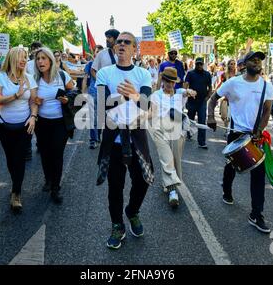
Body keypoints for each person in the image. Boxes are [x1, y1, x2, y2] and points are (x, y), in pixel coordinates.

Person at [96, 32, 153, 249]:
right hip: (114, 137)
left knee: (143, 180)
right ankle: (117, 225)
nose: (121, 44)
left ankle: (132, 211)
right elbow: (101, 108)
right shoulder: (104, 73)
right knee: (115, 187)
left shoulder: (143, 74)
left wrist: (136, 96)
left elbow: (146, 106)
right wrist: (122, 98)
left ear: (134, 49)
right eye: (118, 41)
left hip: (137, 135)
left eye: (126, 42)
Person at [207, 51, 273, 234]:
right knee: (231, 167)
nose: (257, 63)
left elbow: (267, 110)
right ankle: (227, 190)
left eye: (259, 60)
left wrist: (260, 129)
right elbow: (213, 99)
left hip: (255, 136)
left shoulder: (267, 86)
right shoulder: (233, 83)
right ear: (244, 64)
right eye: (253, 60)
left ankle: (256, 214)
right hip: (236, 134)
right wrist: (211, 116)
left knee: (258, 175)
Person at [0, 47, 38, 211]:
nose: (24, 60)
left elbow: (33, 101)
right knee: (11, 159)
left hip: (25, 125)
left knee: (19, 158)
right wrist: (16, 95)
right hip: (4, 125)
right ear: (12, 58)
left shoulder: (29, 78)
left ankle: (16, 192)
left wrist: (33, 116)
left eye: (26, 57)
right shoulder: (0, 77)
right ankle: (15, 182)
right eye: (21, 56)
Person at [149, 67, 196, 208]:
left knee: (175, 159)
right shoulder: (156, 95)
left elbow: (189, 92)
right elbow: (152, 112)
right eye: (167, 81)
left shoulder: (180, 94)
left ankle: (168, 183)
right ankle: (172, 191)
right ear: (163, 80)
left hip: (177, 130)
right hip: (160, 130)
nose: (170, 84)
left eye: (172, 81)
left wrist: (190, 92)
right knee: (166, 159)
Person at [33, 47, 74, 200]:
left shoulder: (62, 76)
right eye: (38, 59)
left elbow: (74, 92)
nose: (40, 61)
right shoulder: (35, 79)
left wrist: (67, 99)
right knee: (45, 153)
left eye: (43, 58)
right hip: (41, 123)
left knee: (57, 154)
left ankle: (56, 187)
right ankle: (48, 179)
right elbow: (30, 100)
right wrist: (34, 100)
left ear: (50, 60)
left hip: (60, 123)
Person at [184, 57, 213, 148]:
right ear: (195, 64)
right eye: (198, 64)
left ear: (203, 64)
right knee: (190, 119)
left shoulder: (207, 74)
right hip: (192, 101)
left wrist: (208, 97)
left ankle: (202, 142)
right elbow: (185, 85)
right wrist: (186, 92)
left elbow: (210, 87)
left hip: (202, 102)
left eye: (201, 64)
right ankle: (188, 133)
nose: (199, 65)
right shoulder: (190, 73)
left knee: (202, 121)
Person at [84, 45, 104, 149]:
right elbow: (85, 79)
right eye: (97, 52)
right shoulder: (90, 64)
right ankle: (93, 139)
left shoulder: (107, 66)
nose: (99, 54)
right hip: (93, 93)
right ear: (94, 53)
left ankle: (98, 135)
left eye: (101, 52)